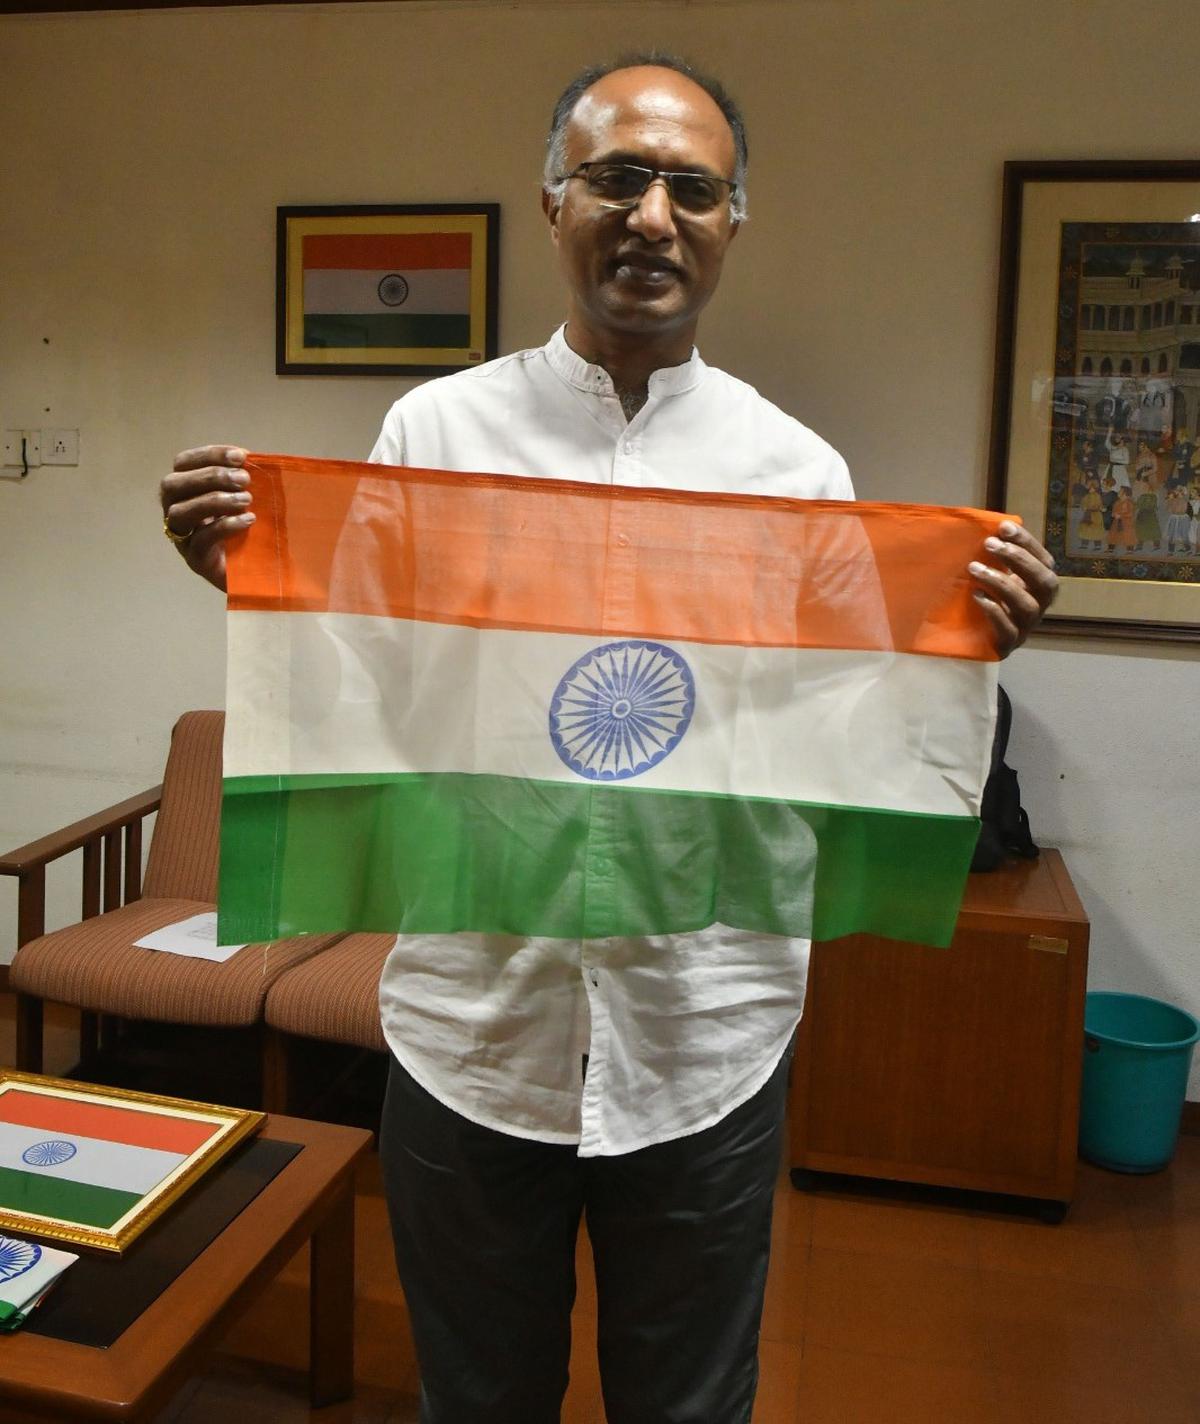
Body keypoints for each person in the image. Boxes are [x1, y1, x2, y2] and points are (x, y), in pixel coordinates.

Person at [160, 54, 1058, 1424]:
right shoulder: (434, 431)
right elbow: (374, 681)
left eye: (692, 189)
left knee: (686, 1403)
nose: (654, 216)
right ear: (554, 200)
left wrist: (966, 642)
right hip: (473, 1023)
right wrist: (251, 579)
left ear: (733, 221)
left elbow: (834, 725)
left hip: (706, 1032)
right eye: (618, 177)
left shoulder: (794, 470)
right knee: (476, 1396)